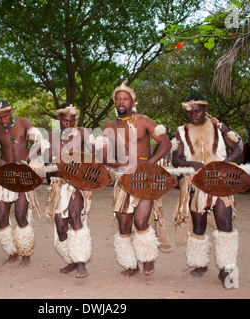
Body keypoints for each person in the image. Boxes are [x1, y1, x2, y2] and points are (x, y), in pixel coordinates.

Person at [100, 82, 172, 278]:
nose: (121, 102)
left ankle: (148, 257)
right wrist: (119, 165)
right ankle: (130, 264)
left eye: (125, 98)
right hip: (124, 180)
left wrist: (150, 163)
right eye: (118, 98)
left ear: (133, 102)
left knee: (141, 222)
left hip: (144, 178)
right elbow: (104, 156)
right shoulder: (108, 126)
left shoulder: (144, 121)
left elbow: (166, 143)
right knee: (124, 226)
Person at [172, 94, 242, 289]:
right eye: (190, 112)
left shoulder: (219, 126)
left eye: (197, 111)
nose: (193, 115)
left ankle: (226, 271)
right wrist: (191, 163)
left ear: (205, 109)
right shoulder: (181, 131)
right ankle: (200, 263)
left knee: (225, 224)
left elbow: (237, 151)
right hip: (196, 183)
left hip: (221, 182)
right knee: (198, 226)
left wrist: (223, 164)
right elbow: (175, 160)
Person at [0, 100, 43, 267]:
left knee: (20, 214)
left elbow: (38, 144)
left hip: (22, 174)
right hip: (5, 176)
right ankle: (12, 252)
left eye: (5, 116)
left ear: (11, 111)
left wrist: (27, 158)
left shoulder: (24, 123)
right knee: (1, 215)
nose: (3, 121)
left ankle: (26, 253)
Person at [45, 104, 94, 278]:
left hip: (77, 184)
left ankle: (81, 263)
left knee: (75, 216)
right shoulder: (51, 136)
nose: (69, 124)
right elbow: (47, 164)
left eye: (72, 121)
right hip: (59, 185)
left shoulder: (81, 134)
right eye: (65, 120)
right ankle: (72, 260)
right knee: (60, 228)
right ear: (59, 120)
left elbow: (95, 154)